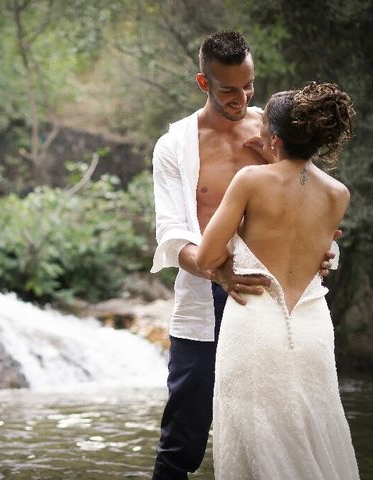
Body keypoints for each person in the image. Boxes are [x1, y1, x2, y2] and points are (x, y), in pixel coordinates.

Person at [149, 32, 337, 480]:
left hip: (276, 297)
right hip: (204, 299)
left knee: (282, 426)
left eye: (249, 86)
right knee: (183, 434)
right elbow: (173, 233)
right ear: (203, 82)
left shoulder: (277, 130)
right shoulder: (174, 145)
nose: (242, 98)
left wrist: (325, 250)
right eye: (228, 90)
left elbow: (316, 203)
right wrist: (218, 273)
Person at [195, 82, 359, 479]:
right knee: (314, 430)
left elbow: (206, 257)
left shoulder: (251, 180)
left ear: (275, 136)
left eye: (264, 123)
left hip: (254, 322)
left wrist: (224, 270)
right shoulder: (338, 193)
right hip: (313, 328)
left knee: (255, 439)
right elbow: (312, 245)